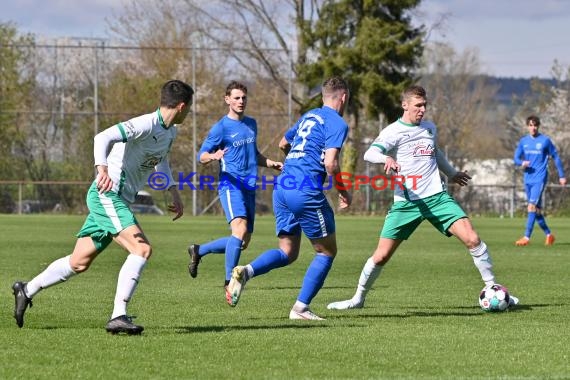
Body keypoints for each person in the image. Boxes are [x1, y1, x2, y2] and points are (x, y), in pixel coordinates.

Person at [11, 79, 194, 334]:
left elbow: (161, 161)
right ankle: (118, 315)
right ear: (182, 106)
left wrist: (173, 190)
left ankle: (26, 289)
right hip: (108, 194)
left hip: (117, 199)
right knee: (141, 249)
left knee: (78, 262)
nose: (189, 113)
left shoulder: (169, 131)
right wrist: (102, 169)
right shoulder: (145, 124)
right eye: (190, 109)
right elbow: (102, 137)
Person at [326, 85, 519, 311]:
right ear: (405, 105)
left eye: (425, 105)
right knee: (380, 256)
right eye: (418, 105)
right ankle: (358, 299)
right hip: (406, 203)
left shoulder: (429, 128)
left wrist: (452, 173)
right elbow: (371, 153)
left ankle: (493, 287)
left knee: (473, 239)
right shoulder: (392, 131)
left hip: (437, 198)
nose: (423, 109)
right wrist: (386, 159)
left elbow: (435, 153)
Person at [225, 76, 351, 320]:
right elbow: (331, 163)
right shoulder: (337, 122)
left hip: (283, 186)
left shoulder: (309, 116)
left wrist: (295, 159)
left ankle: (246, 271)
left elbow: (284, 142)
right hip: (305, 189)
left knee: (288, 252)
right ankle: (300, 308)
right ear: (343, 97)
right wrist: (344, 192)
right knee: (326, 252)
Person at [186, 81, 282, 300]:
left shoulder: (251, 124)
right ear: (227, 99)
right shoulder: (221, 127)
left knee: (242, 240)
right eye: (236, 98)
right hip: (231, 185)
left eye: (244, 98)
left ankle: (198, 251)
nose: (241, 101)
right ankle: (230, 282)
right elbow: (201, 156)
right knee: (239, 230)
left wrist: (271, 163)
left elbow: (254, 154)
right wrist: (213, 156)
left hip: (249, 187)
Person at [513, 115, 566, 246]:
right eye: (530, 125)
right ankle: (549, 235)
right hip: (527, 178)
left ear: (538, 126)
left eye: (535, 125)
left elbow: (556, 157)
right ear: (527, 126)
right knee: (535, 211)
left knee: (530, 206)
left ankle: (526, 237)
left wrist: (562, 175)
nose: (533, 128)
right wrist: (522, 162)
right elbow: (515, 158)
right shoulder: (523, 141)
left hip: (540, 178)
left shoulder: (545, 141)